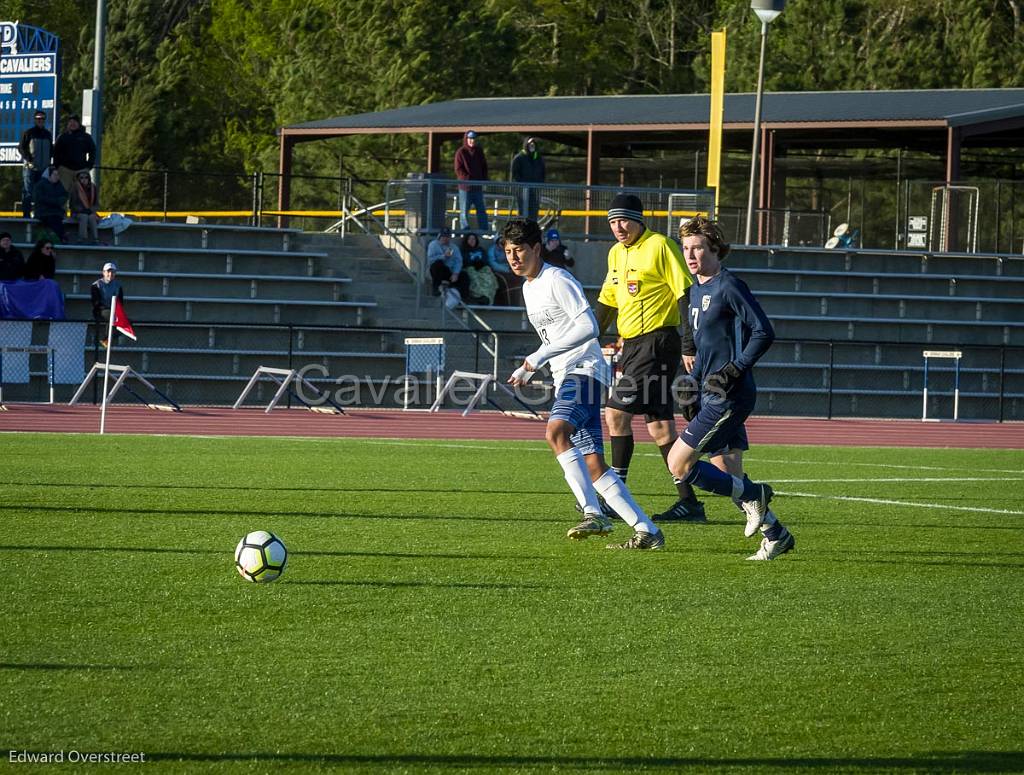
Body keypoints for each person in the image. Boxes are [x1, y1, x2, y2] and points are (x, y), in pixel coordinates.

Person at [504, 218, 664, 550]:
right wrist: (538, 364)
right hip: (568, 375)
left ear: (536, 248)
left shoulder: (557, 279)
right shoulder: (528, 287)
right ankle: (647, 530)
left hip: (585, 370)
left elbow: (589, 326)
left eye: (519, 250)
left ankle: (592, 511)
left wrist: (536, 359)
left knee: (555, 432)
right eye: (507, 252)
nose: (513, 258)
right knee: (593, 463)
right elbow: (557, 335)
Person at [666, 216, 794, 560]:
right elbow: (702, 347)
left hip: (729, 395)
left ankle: (756, 493)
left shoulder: (728, 285)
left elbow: (764, 331)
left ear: (715, 249)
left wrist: (735, 369)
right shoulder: (693, 291)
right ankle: (776, 534)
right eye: (686, 248)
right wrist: (690, 386)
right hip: (709, 393)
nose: (691, 255)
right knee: (726, 472)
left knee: (679, 464)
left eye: (698, 248)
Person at [595, 193, 704, 523]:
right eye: (613, 221)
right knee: (659, 427)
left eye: (624, 220)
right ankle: (689, 503)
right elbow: (608, 302)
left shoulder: (660, 245)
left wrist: (689, 343)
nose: (618, 227)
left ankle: (616, 496)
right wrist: (586, 337)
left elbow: (686, 292)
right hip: (632, 346)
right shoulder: (616, 253)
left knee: (615, 415)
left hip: (657, 342)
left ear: (639, 220)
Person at [19, 110, 53, 219]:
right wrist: (29, 159)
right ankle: (26, 216)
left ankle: (39, 215)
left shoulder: (48, 134)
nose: (40, 120)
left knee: (41, 193)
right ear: (35, 120)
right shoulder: (29, 133)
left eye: (42, 118)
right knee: (28, 192)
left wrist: (50, 162)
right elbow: (21, 147)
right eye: (38, 118)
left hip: (43, 169)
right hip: (30, 168)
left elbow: (51, 150)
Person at [454, 130, 489, 232]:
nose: (472, 141)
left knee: (482, 211)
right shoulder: (460, 152)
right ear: (466, 139)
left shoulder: (479, 151)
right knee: (464, 212)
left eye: (473, 139)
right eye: (470, 139)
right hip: (465, 188)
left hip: (477, 188)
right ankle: (465, 232)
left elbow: (484, 167)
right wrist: (468, 180)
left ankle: (484, 231)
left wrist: (483, 179)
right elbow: (458, 169)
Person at [52, 115, 95, 193]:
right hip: (65, 170)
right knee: (63, 194)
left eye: (75, 121)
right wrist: (57, 166)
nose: (72, 123)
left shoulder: (86, 137)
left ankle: (76, 206)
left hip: (81, 170)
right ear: (68, 124)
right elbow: (55, 152)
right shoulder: (62, 137)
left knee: (80, 195)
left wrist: (89, 166)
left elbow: (93, 151)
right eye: (70, 121)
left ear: (79, 124)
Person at [426, 229, 468, 299]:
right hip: (437, 270)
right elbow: (430, 259)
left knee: (464, 275)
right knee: (438, 264)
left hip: (449, 271)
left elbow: (458, 261)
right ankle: (436, 289)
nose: (445, 239)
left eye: (447, 237)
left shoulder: (454, 247)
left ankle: (464, 298)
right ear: (439, 237)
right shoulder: (433, 245)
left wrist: (456, 273)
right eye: (443, 236)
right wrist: (443, 256)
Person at [510, 136, 544, 221]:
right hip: (522, 192)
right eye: (530, 144)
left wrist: (539, 183)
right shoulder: (519, 158)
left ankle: (532, 231)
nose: (532, 146)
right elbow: (515, 174)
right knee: (523, 213)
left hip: (535, 191)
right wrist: (523, 184)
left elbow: (543, 173)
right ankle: (523, 232)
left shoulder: (538, 158)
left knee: (533, 213)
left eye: (533, 144)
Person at [32, 167, 68, 242]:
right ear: (49, 175)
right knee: (54, 220)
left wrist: (55, 201)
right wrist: (55, 201)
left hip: (55, 211)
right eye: (54, 174)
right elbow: (40, 199)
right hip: (43, 212)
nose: (57, 176)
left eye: (58, 175)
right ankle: (62, 237)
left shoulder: (59, 185)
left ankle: (61, 237)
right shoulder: (40, 185)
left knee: (56, 218)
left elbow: (64, 196)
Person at [486, 235, 524, 306]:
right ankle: (507, 303)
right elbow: (493, 264)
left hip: (510, 269)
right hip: (498, 271)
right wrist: (507, 269)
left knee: (520, 278)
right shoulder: (492, 250)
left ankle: (519, 303)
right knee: (505, 281)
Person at [461, 233, 498, 305]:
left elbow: (486, 260)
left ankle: (487, 298)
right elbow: (464, 261)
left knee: (489, 276)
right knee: (474, 276)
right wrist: (472, 263)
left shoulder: (480, 249)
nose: (472, 241)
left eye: (473, 239)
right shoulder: (464, 251)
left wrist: (481, 263)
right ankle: (479, 296)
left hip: (482, 268)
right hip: (470, 268)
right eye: (470, 239)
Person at [91, 261, 125, 330]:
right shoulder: (96, 285)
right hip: (100, 311)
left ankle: (109, 338)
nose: (110, 274)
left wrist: (116, 310)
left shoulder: (118, 286)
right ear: (103, 272)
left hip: (114, 311)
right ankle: (106, 339)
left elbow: (120, 302)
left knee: (128, 322)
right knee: (112, 316)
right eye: (108, 271)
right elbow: (96, 303)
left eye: (113, 272)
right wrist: (108, 310)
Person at [70, 170, 100, 243]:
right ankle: (82, 239)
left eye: (86, 177)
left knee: (92, 217)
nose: (84, 179)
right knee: (84, 216)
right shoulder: (75, 188)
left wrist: (91, 210)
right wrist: (83, 210)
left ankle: (95, 239)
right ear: (79, 179)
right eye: (81, 178)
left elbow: (96, 204)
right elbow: (72, 204)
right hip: (77, 212)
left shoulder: (93, 187)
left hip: (90, 211)